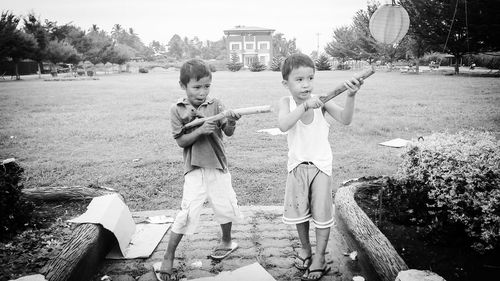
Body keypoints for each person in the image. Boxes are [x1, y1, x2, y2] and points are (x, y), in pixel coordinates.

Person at [277, 53, 363, 281]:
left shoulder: (322, 101)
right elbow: (284, 125)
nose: (306, 84)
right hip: (296, 167)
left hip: (320, 168)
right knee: (300, 214)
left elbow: (345, 119)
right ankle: (305, 249)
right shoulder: (285, 103)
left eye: (310, 78)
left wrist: (351, 96)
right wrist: (304, 106)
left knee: (322, 215)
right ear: (286, 83)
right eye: (299, 79)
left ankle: (320, 258)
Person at [156, 59, 243, 281]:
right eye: (197, 87)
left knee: (224, 205)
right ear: (182, 85)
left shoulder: (216, 104)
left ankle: (226, 241)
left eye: (207, 86)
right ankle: (168, 255)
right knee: (187, 211)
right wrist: (202, 129)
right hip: (194, 168)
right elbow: (181, 141)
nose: (202, 92)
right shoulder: (177, 110)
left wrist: (231, 122)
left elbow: (229, 132)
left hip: (217, 165)